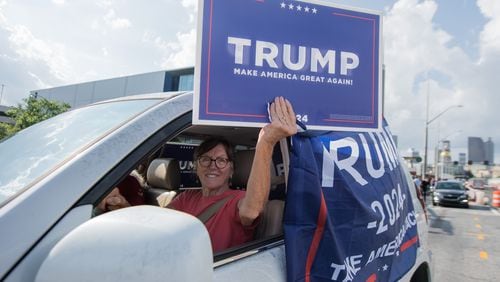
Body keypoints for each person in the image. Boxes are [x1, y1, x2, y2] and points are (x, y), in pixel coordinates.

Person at [168, 96, 297, 252]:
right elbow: (159, 227)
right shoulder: (186, 197)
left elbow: (251, 212)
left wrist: (266, 143)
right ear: (196, 166)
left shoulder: (238, 199)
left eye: (221, 160)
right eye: (205, 159)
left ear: (231, 170)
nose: (212, 166)